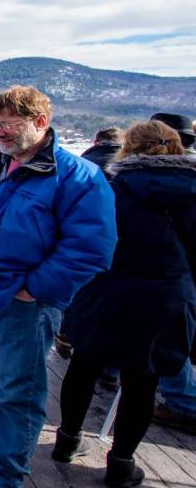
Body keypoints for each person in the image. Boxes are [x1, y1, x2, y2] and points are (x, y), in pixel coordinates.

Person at [0, 86, 117, 488]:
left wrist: (35, 289)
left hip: (23, 305)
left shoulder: (76, 177)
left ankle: (5, 476)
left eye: (8, 124)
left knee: (18, 393)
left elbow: (91, 248)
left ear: (41, 122)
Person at [51, 120, 196, 486]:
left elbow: (83, 236)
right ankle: (121, 463)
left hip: (106, 289)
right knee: (142, 381)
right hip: (165, 297)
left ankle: (67, 441)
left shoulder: (110, 187)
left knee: (84, 365)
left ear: (127, 147)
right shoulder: (192, 190)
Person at [146, 111, 196, 435]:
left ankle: (184, 403)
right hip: (173, 277)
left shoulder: (173, 182)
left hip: (166, 276)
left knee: (169, 343)